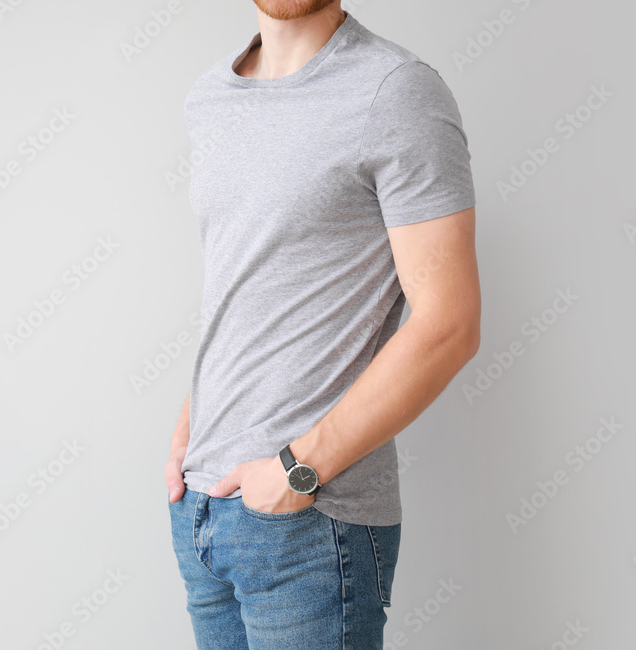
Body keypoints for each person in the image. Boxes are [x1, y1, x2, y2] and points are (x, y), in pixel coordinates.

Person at [164, 1, 481, 647]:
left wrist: (297, 471)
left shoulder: (394, 91)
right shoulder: (209, 98)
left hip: (312, 516)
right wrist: (191, 423)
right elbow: (252, 282)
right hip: (201, 506)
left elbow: (451, 323)